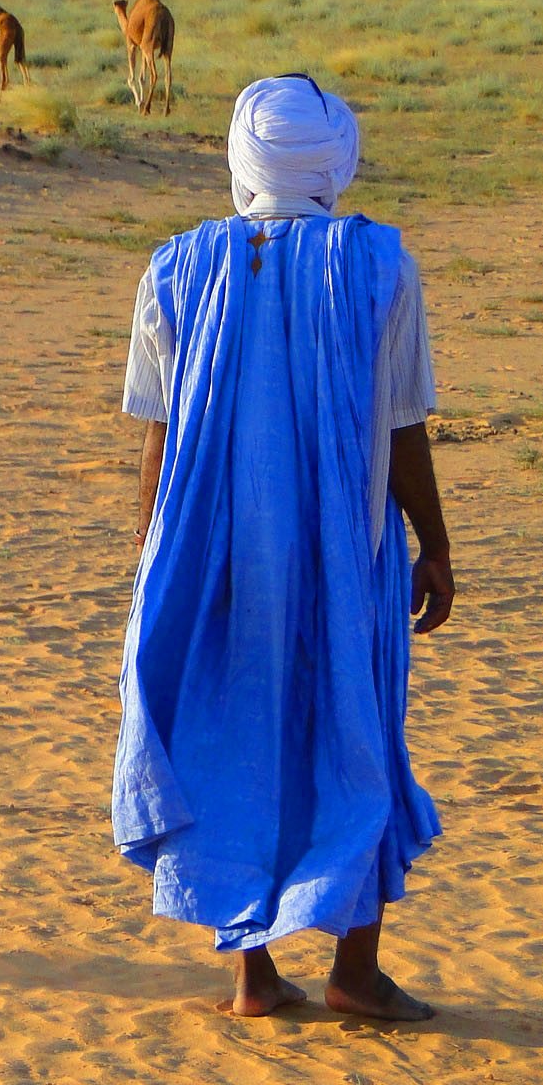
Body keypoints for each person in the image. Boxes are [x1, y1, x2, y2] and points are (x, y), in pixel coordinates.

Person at [113, 74, 455, 1020]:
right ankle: (354, 970)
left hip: (219, 547)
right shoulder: (379, 265)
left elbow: (159, 431)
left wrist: (150, 556)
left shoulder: (177, 267)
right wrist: (436, 546)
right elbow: (400, 426)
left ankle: (254, 974)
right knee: (358, 725)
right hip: (348, 544)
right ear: (333, 161)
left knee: (239, 725)